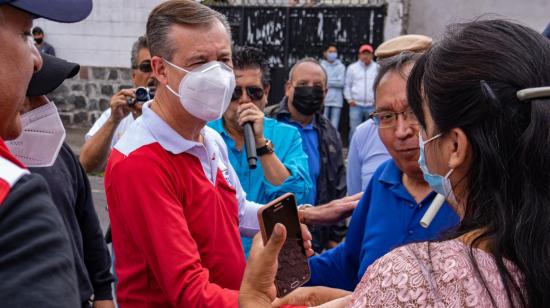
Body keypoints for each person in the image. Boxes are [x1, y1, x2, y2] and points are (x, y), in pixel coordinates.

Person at [241, 19, 550, 307]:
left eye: (417, 115)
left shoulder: (468, 211)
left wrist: (256, 297)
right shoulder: (382, 182)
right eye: (386, 116)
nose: (403, 132)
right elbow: (349, 260)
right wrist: (291, 269)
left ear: (456, 142)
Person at [105, 1, 313, 306]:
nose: (216, 74)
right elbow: (189, 290)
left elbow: (237, 211)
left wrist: (287, 221)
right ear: (161, 69)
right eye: (200, 62)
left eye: (223, 59)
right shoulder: (140, 162)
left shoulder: (209, 137)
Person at [0, 0, 91, 306]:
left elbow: (88, 228)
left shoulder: (63, 158)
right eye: (26, 34)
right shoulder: (15, 202)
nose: (37, 61)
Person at [7, 53, 115, 308]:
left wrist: (102, 292)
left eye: (48, 96)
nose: (47, 105)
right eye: (34, 95)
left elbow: (87, 223)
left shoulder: (60, 152)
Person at [209, 46, 312, 257]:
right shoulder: (204, 134)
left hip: (271, 260)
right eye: (235, 92)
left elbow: (296, 197)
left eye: (253, 92)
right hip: (216, 261)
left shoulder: (288, 135)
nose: (245, 100)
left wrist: (260, 143)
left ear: (266, 93)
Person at [265, 58, 348, 253]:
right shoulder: (267, 124)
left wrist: (334, 239)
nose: (310, 90)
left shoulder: (329, 134)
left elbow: (338, 187)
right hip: (271, 233)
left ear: (326, 93)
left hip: (314, 238)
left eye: (317, 86)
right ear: (288, 87)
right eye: (302, 84)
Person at [346, 35, 432, 195]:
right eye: (387, 116)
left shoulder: (458, 188)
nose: (401, 131)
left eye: (414, 112)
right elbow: (353, 200)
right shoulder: (363, 134)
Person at [80, 36, 155, 172]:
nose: (154, 75)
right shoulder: (119, 113)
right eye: (147, 67)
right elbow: (87, 164)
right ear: (133, 76)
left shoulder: (177, 114)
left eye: (160, 66)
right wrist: (113, 120)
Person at [344, 44, 378, 139]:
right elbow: (347, 85)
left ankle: (370, 151)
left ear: (372, 55)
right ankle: (353, 152)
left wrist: (377, 100)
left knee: (373, 130)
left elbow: (380, 86)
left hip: (372, 106)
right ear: (359, 55)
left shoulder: (377, 68)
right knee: (354, 130)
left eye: (368, 53)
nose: (366, 56)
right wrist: (350, 100)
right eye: (364, 53)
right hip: (356, 105)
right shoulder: (352, 68)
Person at [320, 43, 346, 129]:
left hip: (337, 101)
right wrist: (335, 80)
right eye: (330, 51)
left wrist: (327, 80)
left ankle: (334, 143)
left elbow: (341, 83)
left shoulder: (341, 67)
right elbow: (320, 81)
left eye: (335, 52)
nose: (333, 53)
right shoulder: (321, 66)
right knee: (323, 125)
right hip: (324, 100)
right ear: (325, 53)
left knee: (334, 126)